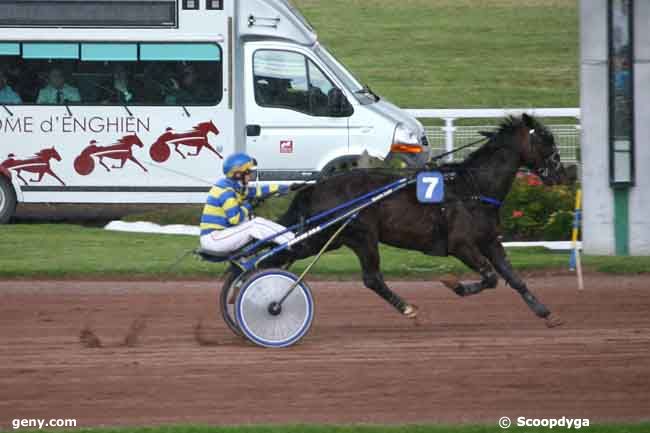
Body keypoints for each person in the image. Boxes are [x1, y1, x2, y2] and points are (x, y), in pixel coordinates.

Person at [199, 153, 296, 255]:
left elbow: (258, 191)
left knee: (251, 220)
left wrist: (284, 187)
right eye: (248, 173)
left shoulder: (235, 186)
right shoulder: (226, 191)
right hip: (214, 239)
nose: (250, 176)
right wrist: (249, 206)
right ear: (238, 174)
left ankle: (289, 239)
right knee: (255, 224)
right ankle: (294, 241)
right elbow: (235, 219)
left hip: (219, 236)